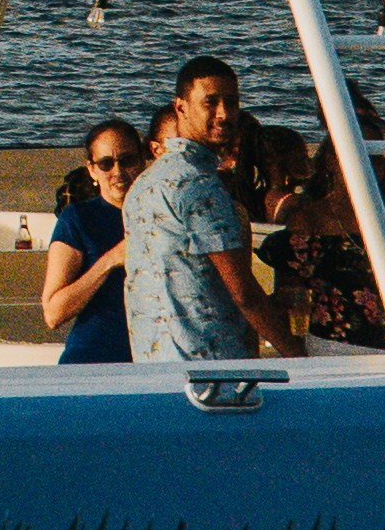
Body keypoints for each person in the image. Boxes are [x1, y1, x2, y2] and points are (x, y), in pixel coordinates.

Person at [122, 57, 296, 362]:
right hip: (212, 372)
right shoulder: (200, 186)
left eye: (232, 102)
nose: (224, 114)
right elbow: (243, 294)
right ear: (181, 108)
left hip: (154, 366)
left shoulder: (143, 184)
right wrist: (298, 355)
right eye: (210, 103)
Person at [277, 90, 385, 350]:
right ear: (330, 161)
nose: (364, 166)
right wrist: (296, 360)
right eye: (354, 156)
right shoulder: (305, 223)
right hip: (330, 351)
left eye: (373, 157)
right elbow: (289, 300)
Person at [42, 118, 144, 364]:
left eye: (127, 161)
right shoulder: (78, 219)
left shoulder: (162, 215)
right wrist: (110, 260)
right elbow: (54, 313)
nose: (118, 172)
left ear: (142, 162)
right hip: (92, 359)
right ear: (92, 169)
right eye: (106, 163)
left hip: (153, 361)